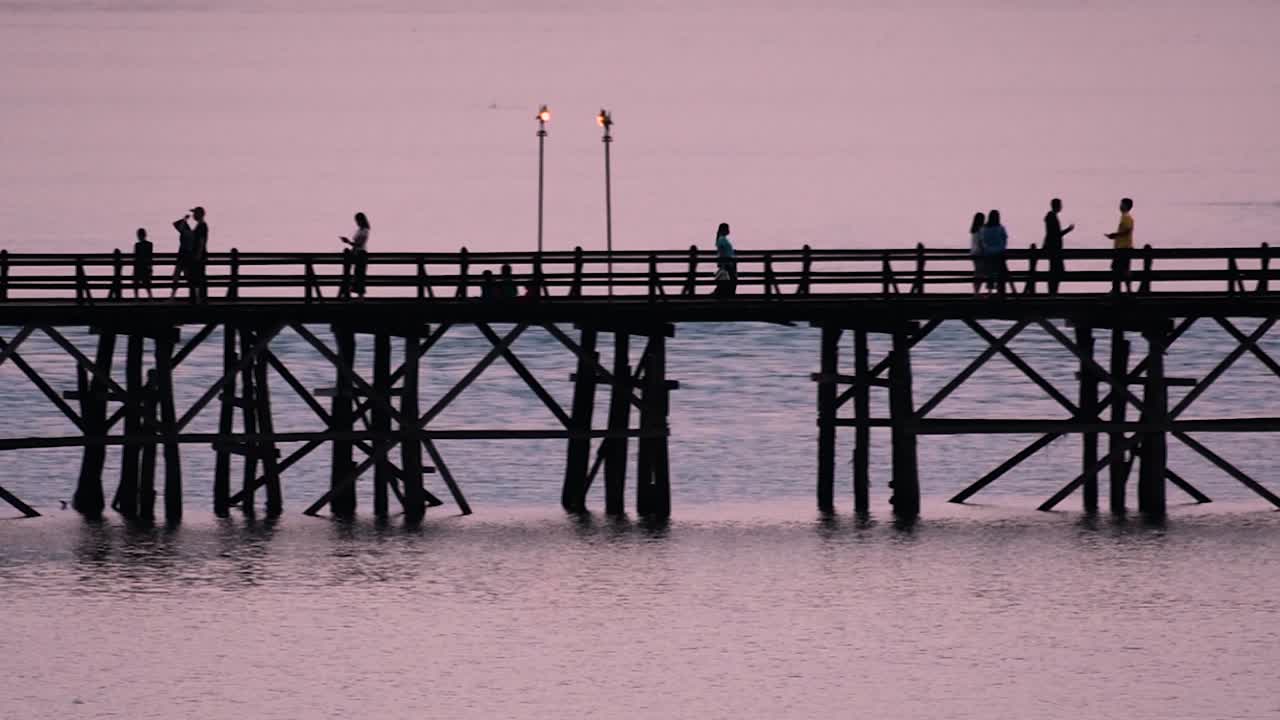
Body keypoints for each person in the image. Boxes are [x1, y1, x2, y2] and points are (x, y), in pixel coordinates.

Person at [1043, 198, 1074, 294]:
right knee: (1056, 270)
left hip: (1053, 248)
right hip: (1054, 249)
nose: (1061, 207)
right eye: (1060, 205)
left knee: (1055, 270)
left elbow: (1051, 234)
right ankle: (1053, 292)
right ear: (1057, 206)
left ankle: (1053, 292)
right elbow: (1055, 234)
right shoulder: (1052, 217)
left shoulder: (1051, 216)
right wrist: (1068, 230)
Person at [1105, 197, 1135, 293]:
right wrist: (1115, 236)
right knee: (1123, 269)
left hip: (1123, 248)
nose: (1120, 206)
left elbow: (1127, 230)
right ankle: (1124, 290)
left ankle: (1118, 290)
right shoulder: (1125, 217)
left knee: (1117, 269)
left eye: (1122, 204)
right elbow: (1125, 231)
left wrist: (1115, 235)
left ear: (1126, 206)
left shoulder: (1126, 217)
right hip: (1122, 247)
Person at [339, 212, 370, 298]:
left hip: (361, 253)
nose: (356, 222)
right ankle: (356, 295)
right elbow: (356, 244)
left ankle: (359, 296)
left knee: (359, 274)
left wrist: (348, 242)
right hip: (357, 253)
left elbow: (359, 244)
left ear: (361, 220)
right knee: (357, 274)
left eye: (357, 220)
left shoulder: (365, 231)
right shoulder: (359, 230)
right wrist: (349, 242)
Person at [981, 209, 1009, 296]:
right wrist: (1002, 247)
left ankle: (989, 293)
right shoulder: (1000, 228)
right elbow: (1005, 238)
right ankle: (1000, 293)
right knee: (1000, 275)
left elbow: (982, 240)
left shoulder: (984, 228)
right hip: (999, 254)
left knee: (990, 274)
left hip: (988, 254)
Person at [714, 222, 737, 297]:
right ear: (723, 230)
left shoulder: (722, 239)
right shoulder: (722, 240)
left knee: (728, 283)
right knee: (731, 283)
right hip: (728, 264)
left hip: (729, 263)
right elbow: (722, 253)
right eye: (727, 228)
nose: (729, 230)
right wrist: (723, 265)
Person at [132, 228, 154, 299]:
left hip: (140, 268)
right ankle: (150, 298)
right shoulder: (150, 244)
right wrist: (150, 267)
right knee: (146, 283)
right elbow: (150, 258)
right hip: (145, 268)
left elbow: (135, 258)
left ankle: (136, 298)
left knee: (137, 282)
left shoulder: (137, 245)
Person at [969, 212, 986, 294]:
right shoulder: (981, 230)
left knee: (977, 273)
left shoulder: (973, 230)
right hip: (979, 253)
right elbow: (981, 242)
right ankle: (976, 293)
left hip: (973, 253)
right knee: (980, 274)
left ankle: (976, 292)